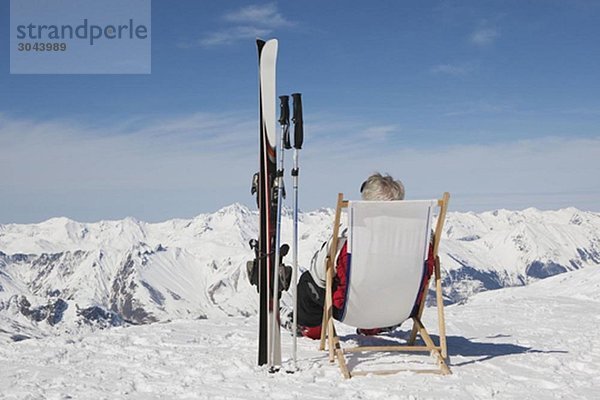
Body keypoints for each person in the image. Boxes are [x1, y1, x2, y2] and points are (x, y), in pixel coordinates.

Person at [285, 172, 436, 340]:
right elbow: (427, 273)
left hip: (351, 309)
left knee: (308, 282)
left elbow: (320, 273)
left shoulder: (350, 235)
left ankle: (312, 329)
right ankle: (375, 328)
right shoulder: (422, 237)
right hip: (401, 309)